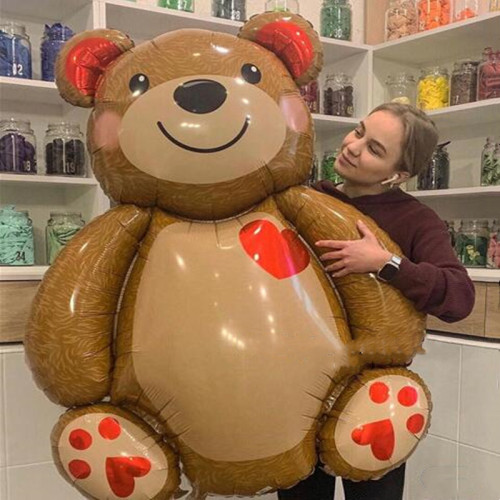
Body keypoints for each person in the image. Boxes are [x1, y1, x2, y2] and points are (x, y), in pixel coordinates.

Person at [277, 102, 476, 500]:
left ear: (396, 175)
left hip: (374, 396)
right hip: (302, 387)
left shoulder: (417, 220)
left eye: (374, 149)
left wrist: (385, 263)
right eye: (359, 131)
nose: (352, 146)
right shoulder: (307, 199)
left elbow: (459, 297)